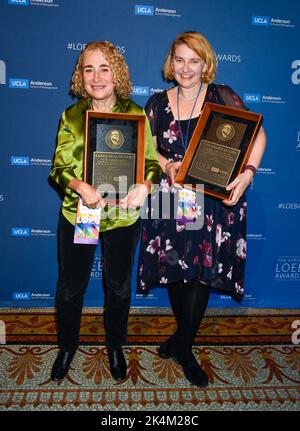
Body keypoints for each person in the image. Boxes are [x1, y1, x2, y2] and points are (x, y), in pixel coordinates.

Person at [137, 31, 267, 387]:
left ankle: (183, 344)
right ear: (171, 63)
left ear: (206, 64)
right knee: (178, 270)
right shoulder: (156, 103)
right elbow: (147, 147)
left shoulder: (222, 95)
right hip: (171, 197)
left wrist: (248, 174)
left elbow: (258, 135)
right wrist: (166, 166)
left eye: (194, 60)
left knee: (199, 273)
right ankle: (183, 341)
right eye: (179, 60)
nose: (186, 68)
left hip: (212, 201)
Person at [49, 41, 160, 382]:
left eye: (104, 68)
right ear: (80, 76)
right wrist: (80, 186)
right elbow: (58, 168)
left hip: (123, 217)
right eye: (88, 69)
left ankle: (115, 346)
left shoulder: (136, 113)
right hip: (82, 214)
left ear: (117, 73)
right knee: (71, 287)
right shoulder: (71, 116)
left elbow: (152, 163)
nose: (96, 77)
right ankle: (67, 346)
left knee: (119, 288)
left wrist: (146, 185)